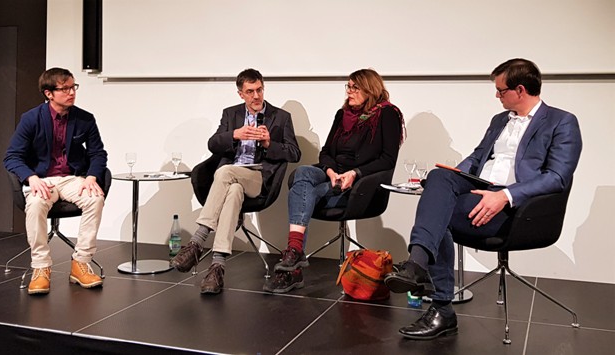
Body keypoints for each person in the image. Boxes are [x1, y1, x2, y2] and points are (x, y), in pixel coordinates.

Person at [384, 58, 582, 340]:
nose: (496, 96)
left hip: (518, 207)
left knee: (439, 211)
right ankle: (418, 268)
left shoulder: (562, 121)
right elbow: (477, 158)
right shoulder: (500, 120)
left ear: (521, 90)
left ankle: (438, 301)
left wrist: (505, 195)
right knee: (438, 180)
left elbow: (557, 177)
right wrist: (450, 178)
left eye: (501, 91)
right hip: (480, 190)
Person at [263, 68, 405, 293]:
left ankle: (293, 265)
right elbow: (327, 151)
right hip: (332, 174)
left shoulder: (387, 114)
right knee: (302, 174)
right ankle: (295, 253)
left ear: (370, 88)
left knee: (302, 193)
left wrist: (354, 173)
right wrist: (330, 171)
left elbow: (388, 160)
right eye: (348, 87)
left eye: (354, 87)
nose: (349, 92)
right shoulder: (343, 115)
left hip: (360, 183)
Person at [170, 68, 301, 294]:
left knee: (225, 173)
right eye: (250, 91)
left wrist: (270, 144)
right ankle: (217, 268)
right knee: (233, 191)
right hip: (233, 180)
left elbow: (294, 153)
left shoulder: (281, 117)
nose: (256, 96)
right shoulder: (231, 115)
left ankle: (198, 241)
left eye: (259, 89)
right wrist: (235, 135)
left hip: (259, 178)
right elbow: (213, 144)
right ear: (241, 94)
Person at [4, 67, 108, 295]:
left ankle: (81, 262)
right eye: (65, 88)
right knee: (36, 204)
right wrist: (31, 178)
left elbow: (98, 153)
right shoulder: (31, 119)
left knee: (95, 197)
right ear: (49, 93)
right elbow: (12, 157)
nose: (71, 92)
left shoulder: (85, 119)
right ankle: (40, 267)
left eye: (73, 87)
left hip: (72, 178)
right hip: (42, 179)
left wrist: (91, 176)